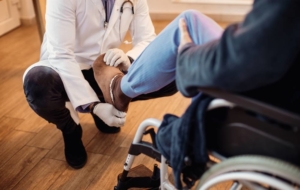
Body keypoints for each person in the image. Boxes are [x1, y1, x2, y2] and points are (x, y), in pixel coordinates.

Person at [23, 0, 178, 169]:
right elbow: (61, 56)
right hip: (66, 68)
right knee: (37, 83)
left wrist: (129, 58)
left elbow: (147, 39)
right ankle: (70, 129)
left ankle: (106, 97)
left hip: (104, 68)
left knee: (172, 74)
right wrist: (93, 106)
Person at [93, 0, 300, 116]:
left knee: (187, 27)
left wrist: (188, 56)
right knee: (191, 20)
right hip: (284, 89)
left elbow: (246, 58)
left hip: (271, 104)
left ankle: (121, 90)